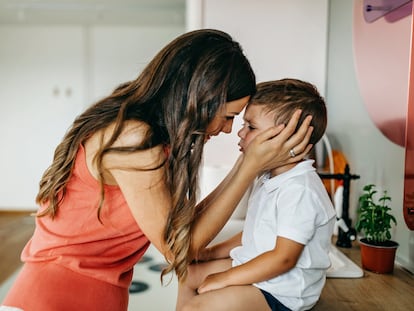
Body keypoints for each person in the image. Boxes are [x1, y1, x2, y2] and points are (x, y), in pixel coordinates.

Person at [1, 30, 312, 311]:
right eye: (228, 116)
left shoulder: (155, 137)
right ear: (200, 99)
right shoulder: (134, 138)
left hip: (99, 294)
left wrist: (248, 163)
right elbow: (181, 248)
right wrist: (250, 165)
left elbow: (183, 230)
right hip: (55, 297)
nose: (229, 129)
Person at [176, 78, 336, 311]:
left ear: (290, 136)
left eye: (251, 127)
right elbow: (257, 232)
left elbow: (284, 258)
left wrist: (224, 278)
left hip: (283, 291)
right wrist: (210, 253)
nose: (240, 132)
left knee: (199, 306)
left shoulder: (299, 189)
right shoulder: (269, 177)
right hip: (260, 272)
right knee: (186, 274)